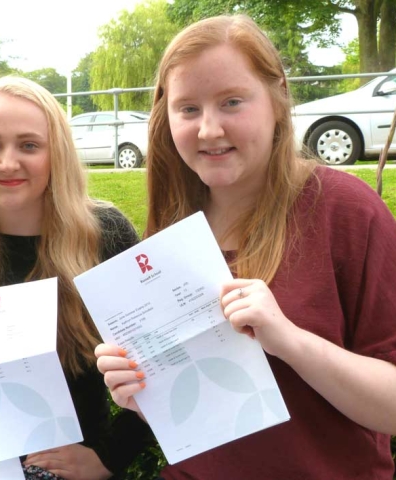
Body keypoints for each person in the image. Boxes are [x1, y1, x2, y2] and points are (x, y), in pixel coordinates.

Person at [95, 14, 396, 480]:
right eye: (188, 109)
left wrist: (290, 341)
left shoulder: (346, 211)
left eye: (232, 102)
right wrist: (143, 396)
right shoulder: (172, 234)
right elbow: (202, 416)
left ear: (277, 98)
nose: (208, 129)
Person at [0, 76, 153, 480]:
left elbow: (158, 359)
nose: (8, 163)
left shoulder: (105, 231)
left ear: (55, 152)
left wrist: (108, 457)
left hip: (62, 460)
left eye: (29, 145)